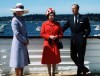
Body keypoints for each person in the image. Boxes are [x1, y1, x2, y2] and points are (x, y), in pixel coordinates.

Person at [62, 4, 91, 76]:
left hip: (81, 39)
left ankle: (79, 73)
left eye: (74, 9)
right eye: (72, 9)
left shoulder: (84, 18)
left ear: (78, 9)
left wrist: (85, 36)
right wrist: (56, 31)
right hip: (73, 40)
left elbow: (88, 29)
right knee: (73, 56)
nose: (72, 10)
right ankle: (84, 69)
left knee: (81, 57)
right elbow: (64, 27)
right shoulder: (70, 19)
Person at [40, 8, 63, 76]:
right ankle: (49, 73)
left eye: (53, 15)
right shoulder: (44, 24)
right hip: (47, 44)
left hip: (55, 44)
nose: (52, 16)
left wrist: (57, 36)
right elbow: (42, 34)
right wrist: (49, 37)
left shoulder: (57, 24)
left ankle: (53, 73)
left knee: (54, 60)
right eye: (50, 15)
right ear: (47, 16)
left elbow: (61, 33)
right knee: (48, 60)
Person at [9, 3, 30, 76]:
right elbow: (17, 33)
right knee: (17, 62)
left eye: (20, 10)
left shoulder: (22, 19)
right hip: (17, 44)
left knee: (22, 62)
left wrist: (27, 40)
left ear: (22, 12)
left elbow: (25, 31)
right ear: (15, 11)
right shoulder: (14, 20)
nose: (19, 12)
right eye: (17, 10)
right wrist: (25, 40)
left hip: (23, 43)